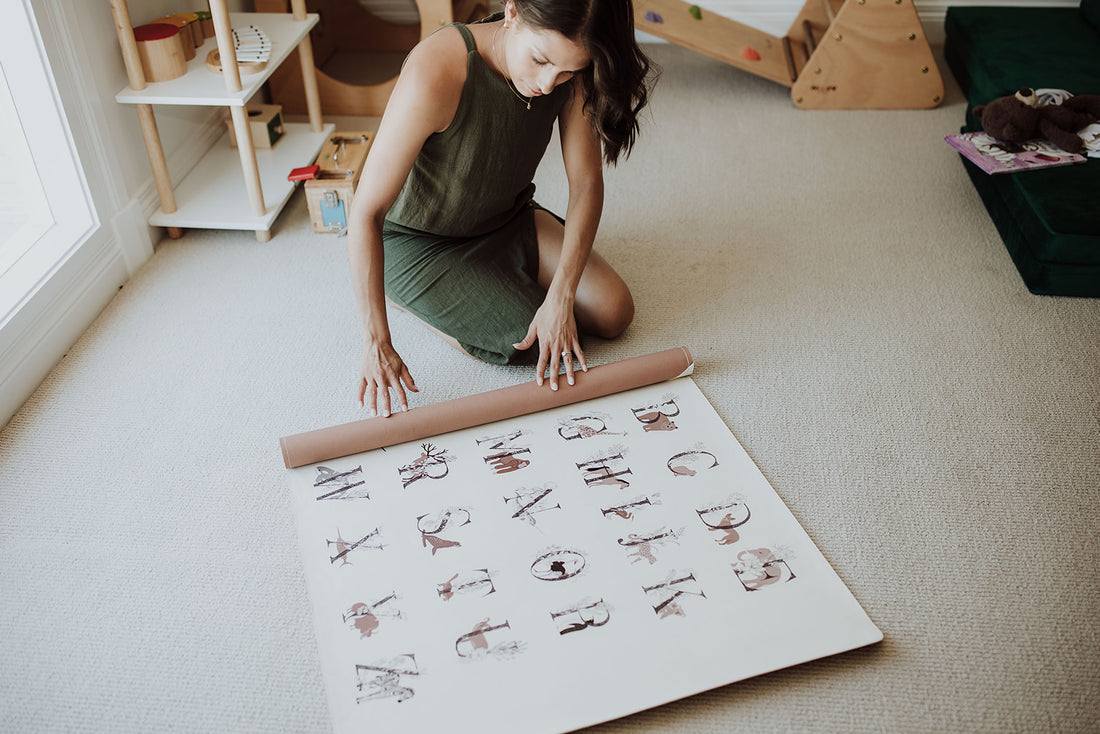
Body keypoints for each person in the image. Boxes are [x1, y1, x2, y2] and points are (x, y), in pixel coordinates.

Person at [347, 0, 655, 417]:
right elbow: (365, 212)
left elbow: (585, 184)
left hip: (505, 216)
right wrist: (375, 341)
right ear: (512, 13)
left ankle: (510, 273)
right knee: (524, 343)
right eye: (541, 61)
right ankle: (405, 294)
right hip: (418, 241)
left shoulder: (571, 65)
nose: (549, 84)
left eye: (565, 71)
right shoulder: (436, 70)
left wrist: (560, 298)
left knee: (614, 311)